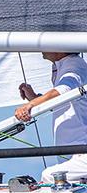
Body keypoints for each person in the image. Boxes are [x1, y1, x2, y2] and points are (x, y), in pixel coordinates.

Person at [14, 52, 87, 183]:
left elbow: (62, 90)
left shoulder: (74, 64)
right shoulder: (63, 66)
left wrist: (30, 105)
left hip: (82, 153)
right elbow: (63, 103)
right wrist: (34, 98)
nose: (41, 48)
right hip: (74, 154)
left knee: (49, 177)